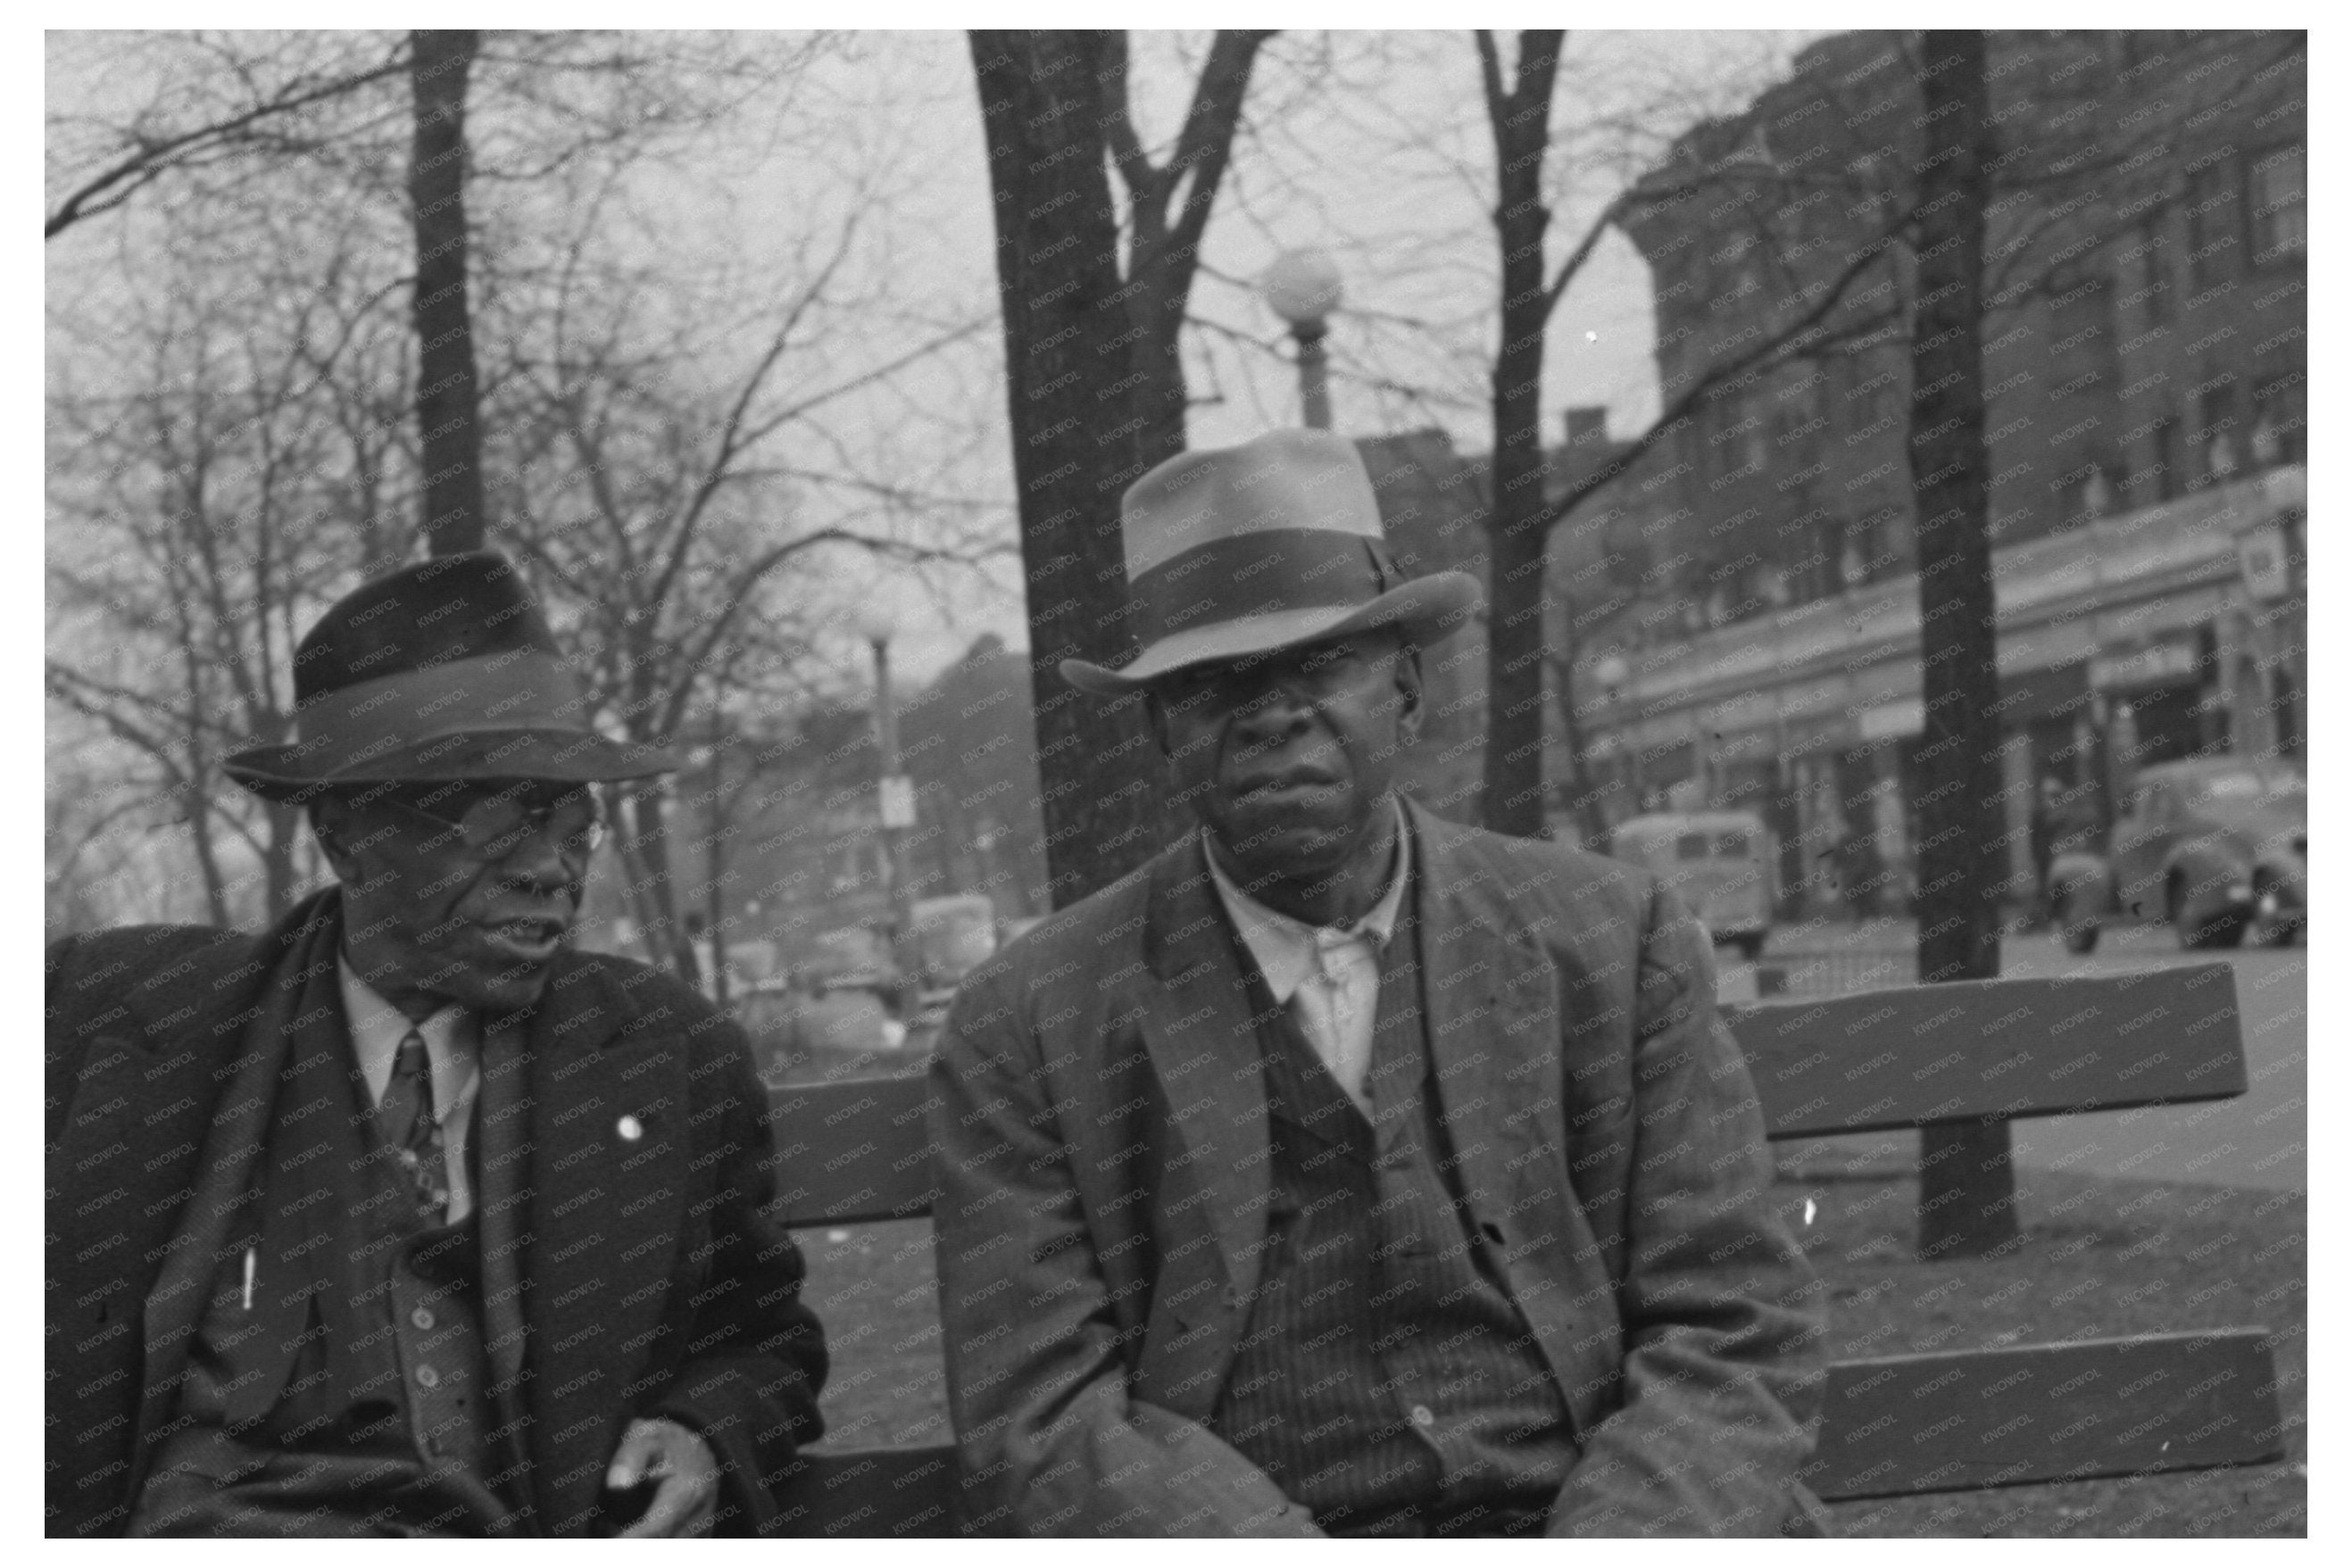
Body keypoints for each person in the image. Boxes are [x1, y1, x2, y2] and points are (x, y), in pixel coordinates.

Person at [927, 430, 1826, 1538]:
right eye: (1216, 684)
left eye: (1317, 663)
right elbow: (1041, 1415)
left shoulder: (1605, 939)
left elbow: (1731, 1318)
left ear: (1404, 683)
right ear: (1163, 724)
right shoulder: (1031, 1017)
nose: (1271, 714)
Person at [46, 552, 827, 1538]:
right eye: (502, 822)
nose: (552, 871)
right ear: (346, 837)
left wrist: (704, 1428)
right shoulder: (126, 1027)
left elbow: (765, 1336)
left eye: (574, 825)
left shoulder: (664, 1055)